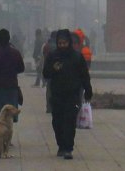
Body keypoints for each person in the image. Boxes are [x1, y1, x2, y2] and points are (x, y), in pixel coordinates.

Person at [42, 29, 93, 160]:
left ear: (69, 43)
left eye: (64, 43)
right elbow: (46, 73)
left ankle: (68, 148)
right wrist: (53, 68)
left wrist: (88, 90)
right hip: (57, 94)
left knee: (69, 122)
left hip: (72, 95)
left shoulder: (77, 57)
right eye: (60, 43)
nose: (62, 45)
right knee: (57, 122)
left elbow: (84, 75)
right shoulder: (53, 56)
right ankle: (61, 145)